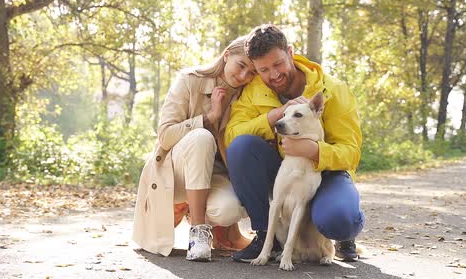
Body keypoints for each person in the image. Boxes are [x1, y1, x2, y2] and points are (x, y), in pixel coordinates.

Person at [224, 24, 365, 263]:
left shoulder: (333, 90)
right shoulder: (254, 90)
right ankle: (265, 236)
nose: (273, 74)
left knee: (339, 220)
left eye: (278, 64)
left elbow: (351, 153)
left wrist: (314, 150)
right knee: (241, 147)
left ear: (290, 52)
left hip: (326, 172)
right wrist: (274, 115)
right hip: (283, 167)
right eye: (264, 69)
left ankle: (340, 235)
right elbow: (231, 135)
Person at [132, 36, 257, 262]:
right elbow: (165, 135)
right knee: (201, 137)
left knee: (229, 209)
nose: (243, 76)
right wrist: (209, 118)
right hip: (175, 171)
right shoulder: (190, 80)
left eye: (251, 73)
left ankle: (204, 216)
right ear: (227, 55)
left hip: (213, 174)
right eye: (241, 66)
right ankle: (198, 232)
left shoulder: (246, 95)